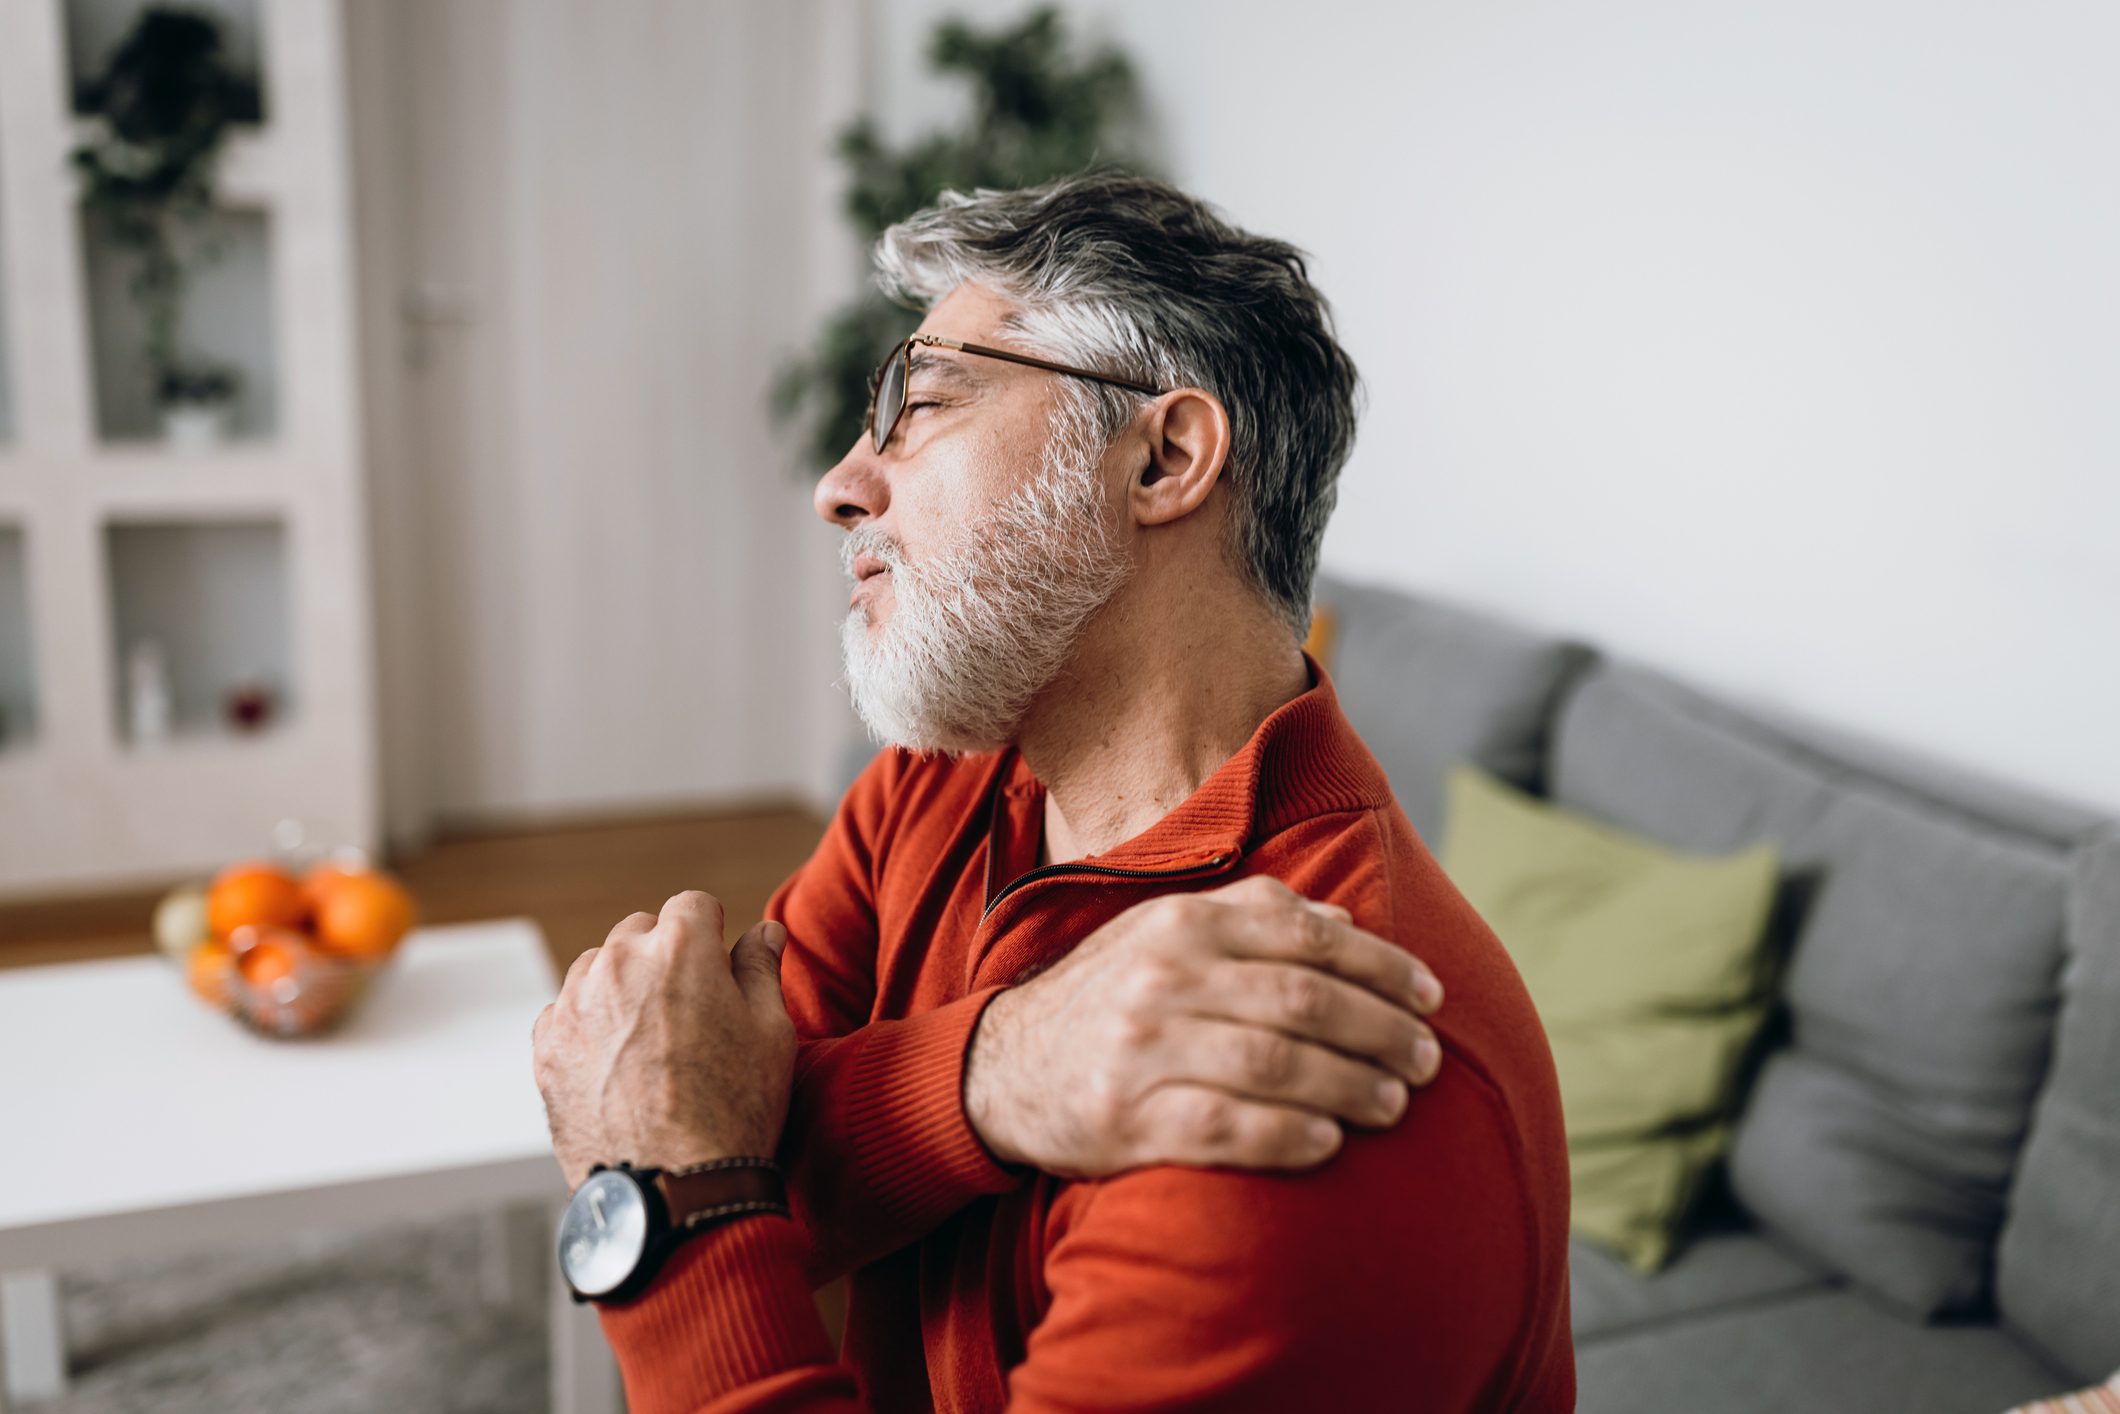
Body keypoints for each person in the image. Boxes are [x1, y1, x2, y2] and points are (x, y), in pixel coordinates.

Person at [532, 171, 1574, 1411]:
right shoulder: (927, 798)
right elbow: (743, 1152)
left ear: (1162, 459)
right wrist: (989, 1072)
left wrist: (665, 1191)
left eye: (915, 404)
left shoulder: (1292, 1054)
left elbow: (705, 1152)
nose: (840, 484)